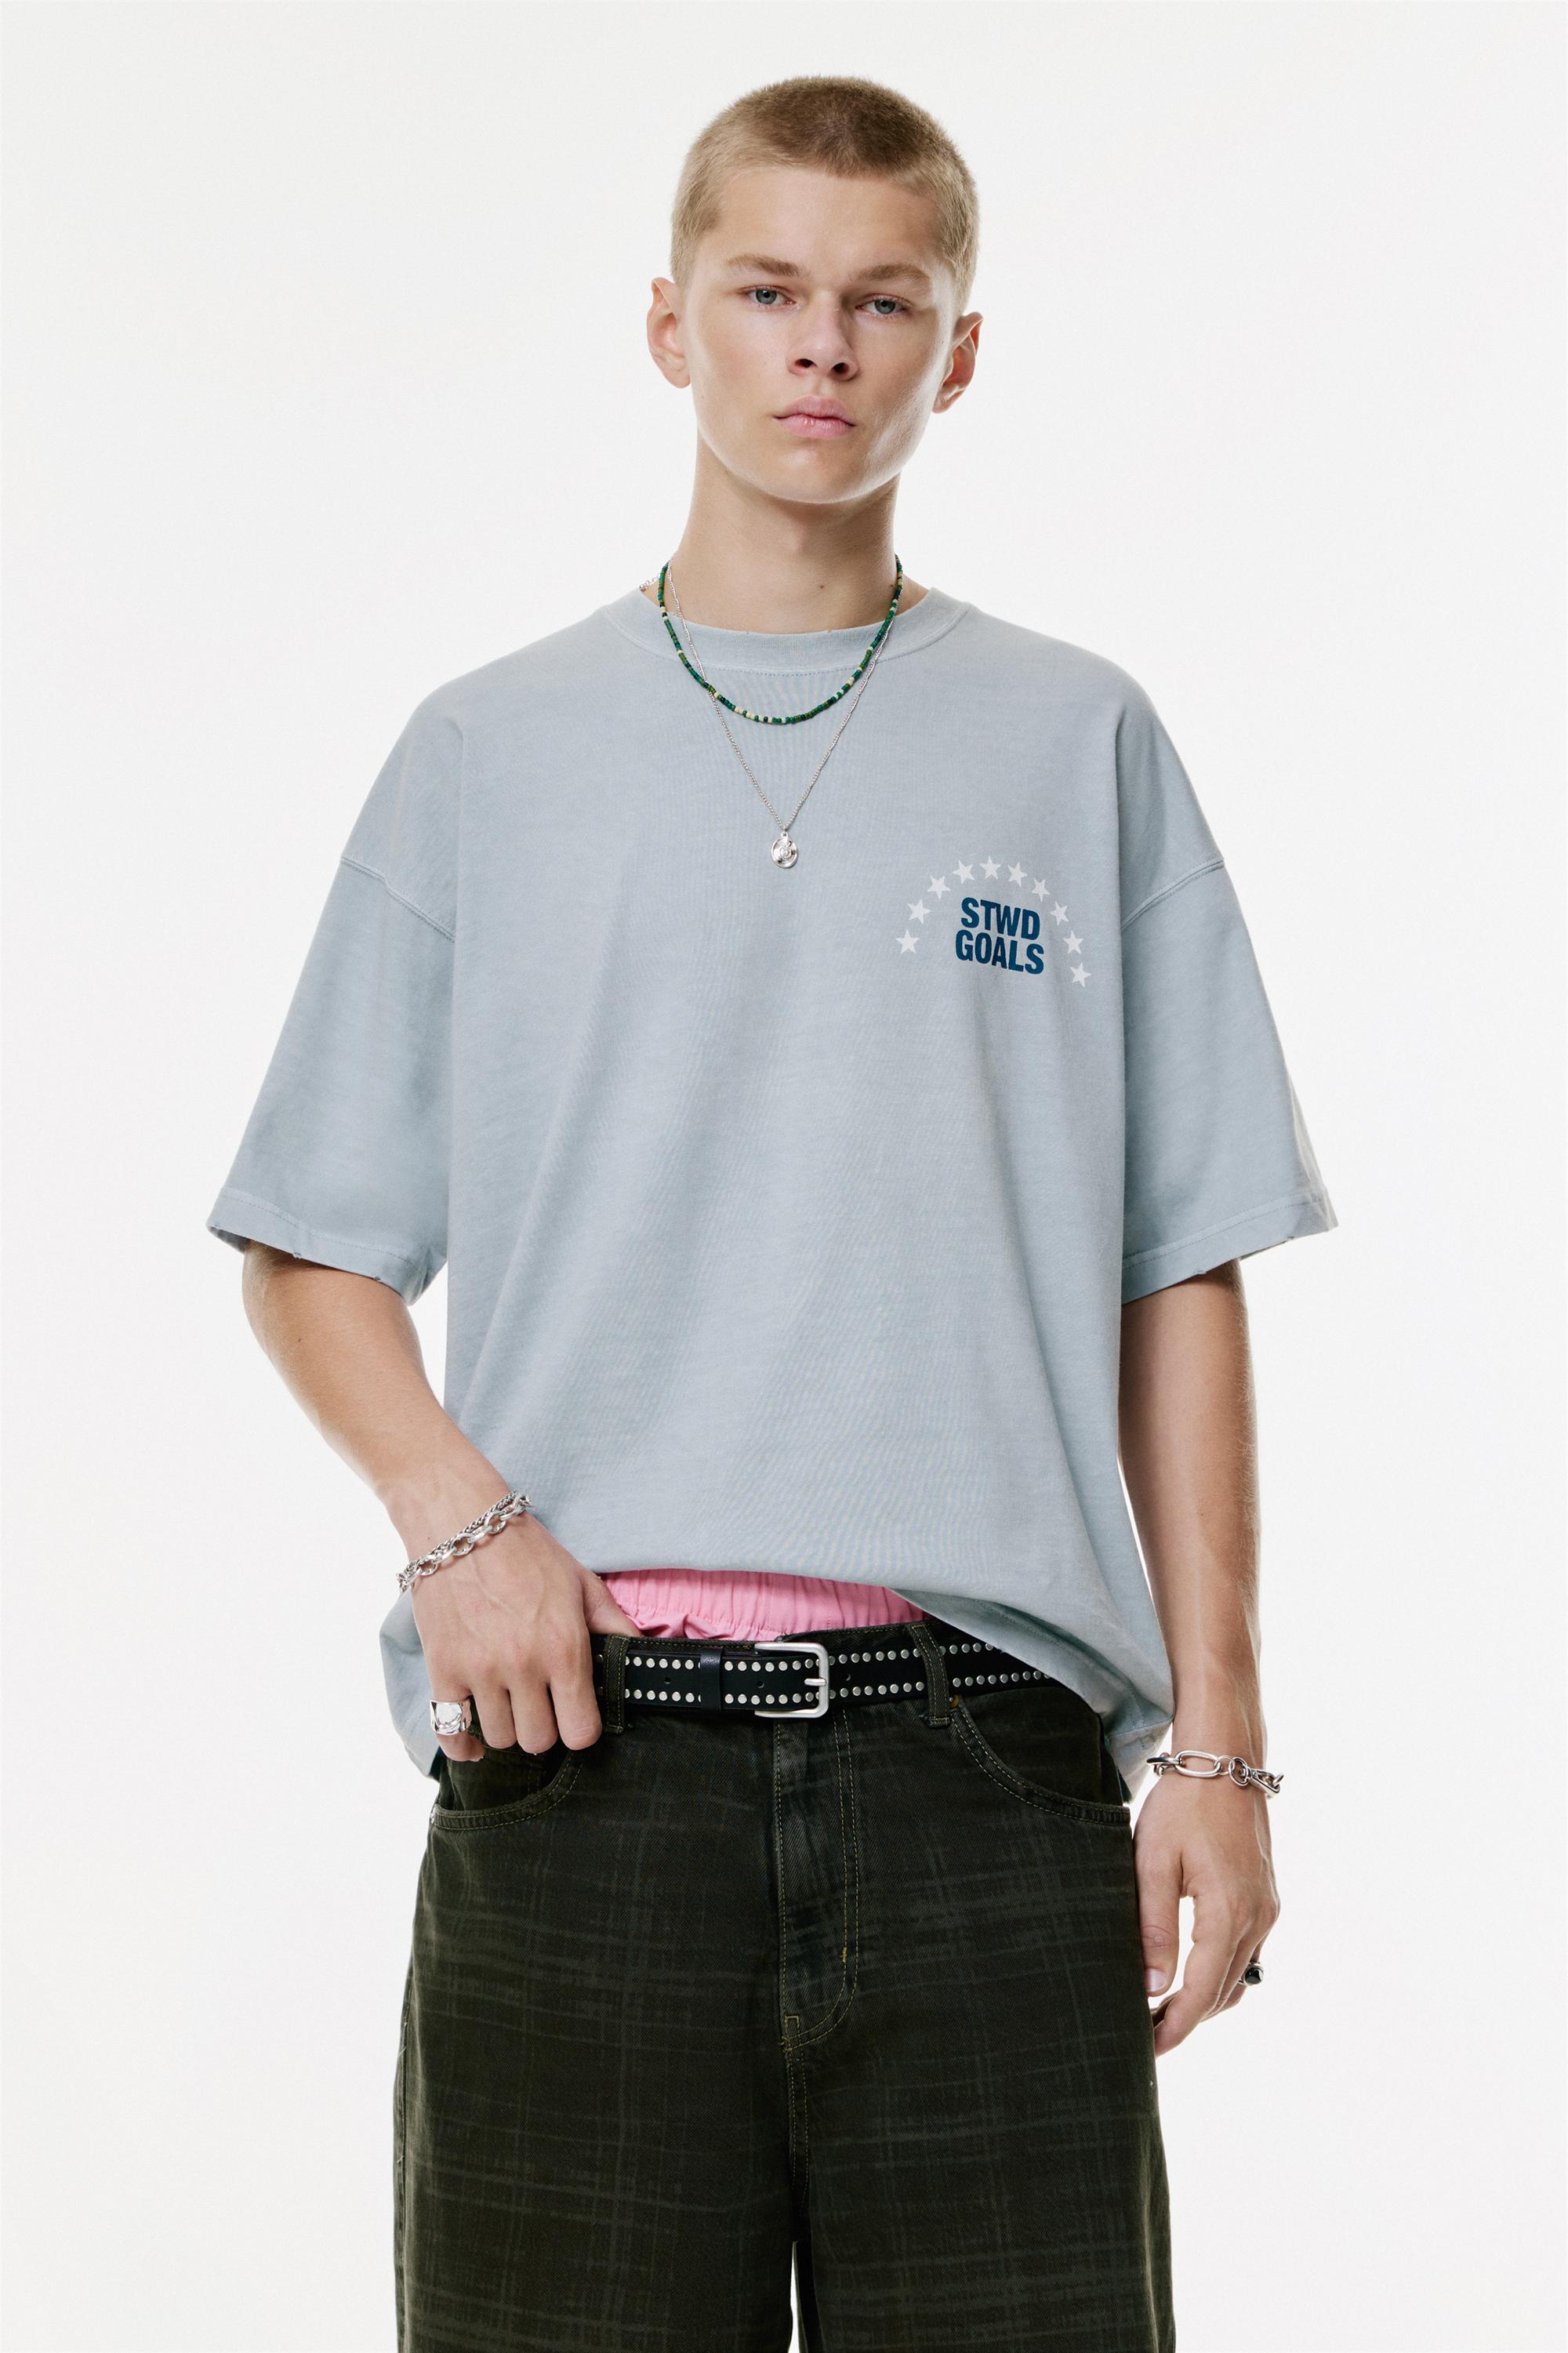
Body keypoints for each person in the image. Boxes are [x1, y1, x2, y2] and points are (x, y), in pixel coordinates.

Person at [205, 72, 1335, 2353]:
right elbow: (312, 1240)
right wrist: (456, 1520)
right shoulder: (487, 749)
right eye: (767, 291)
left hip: (987, 1766)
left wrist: (1220, 1751)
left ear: (958, 351)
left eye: (883, 300)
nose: (823, 344)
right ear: (670, 324)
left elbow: (1179, 1268)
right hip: (582, 1763)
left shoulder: (1079, 740)